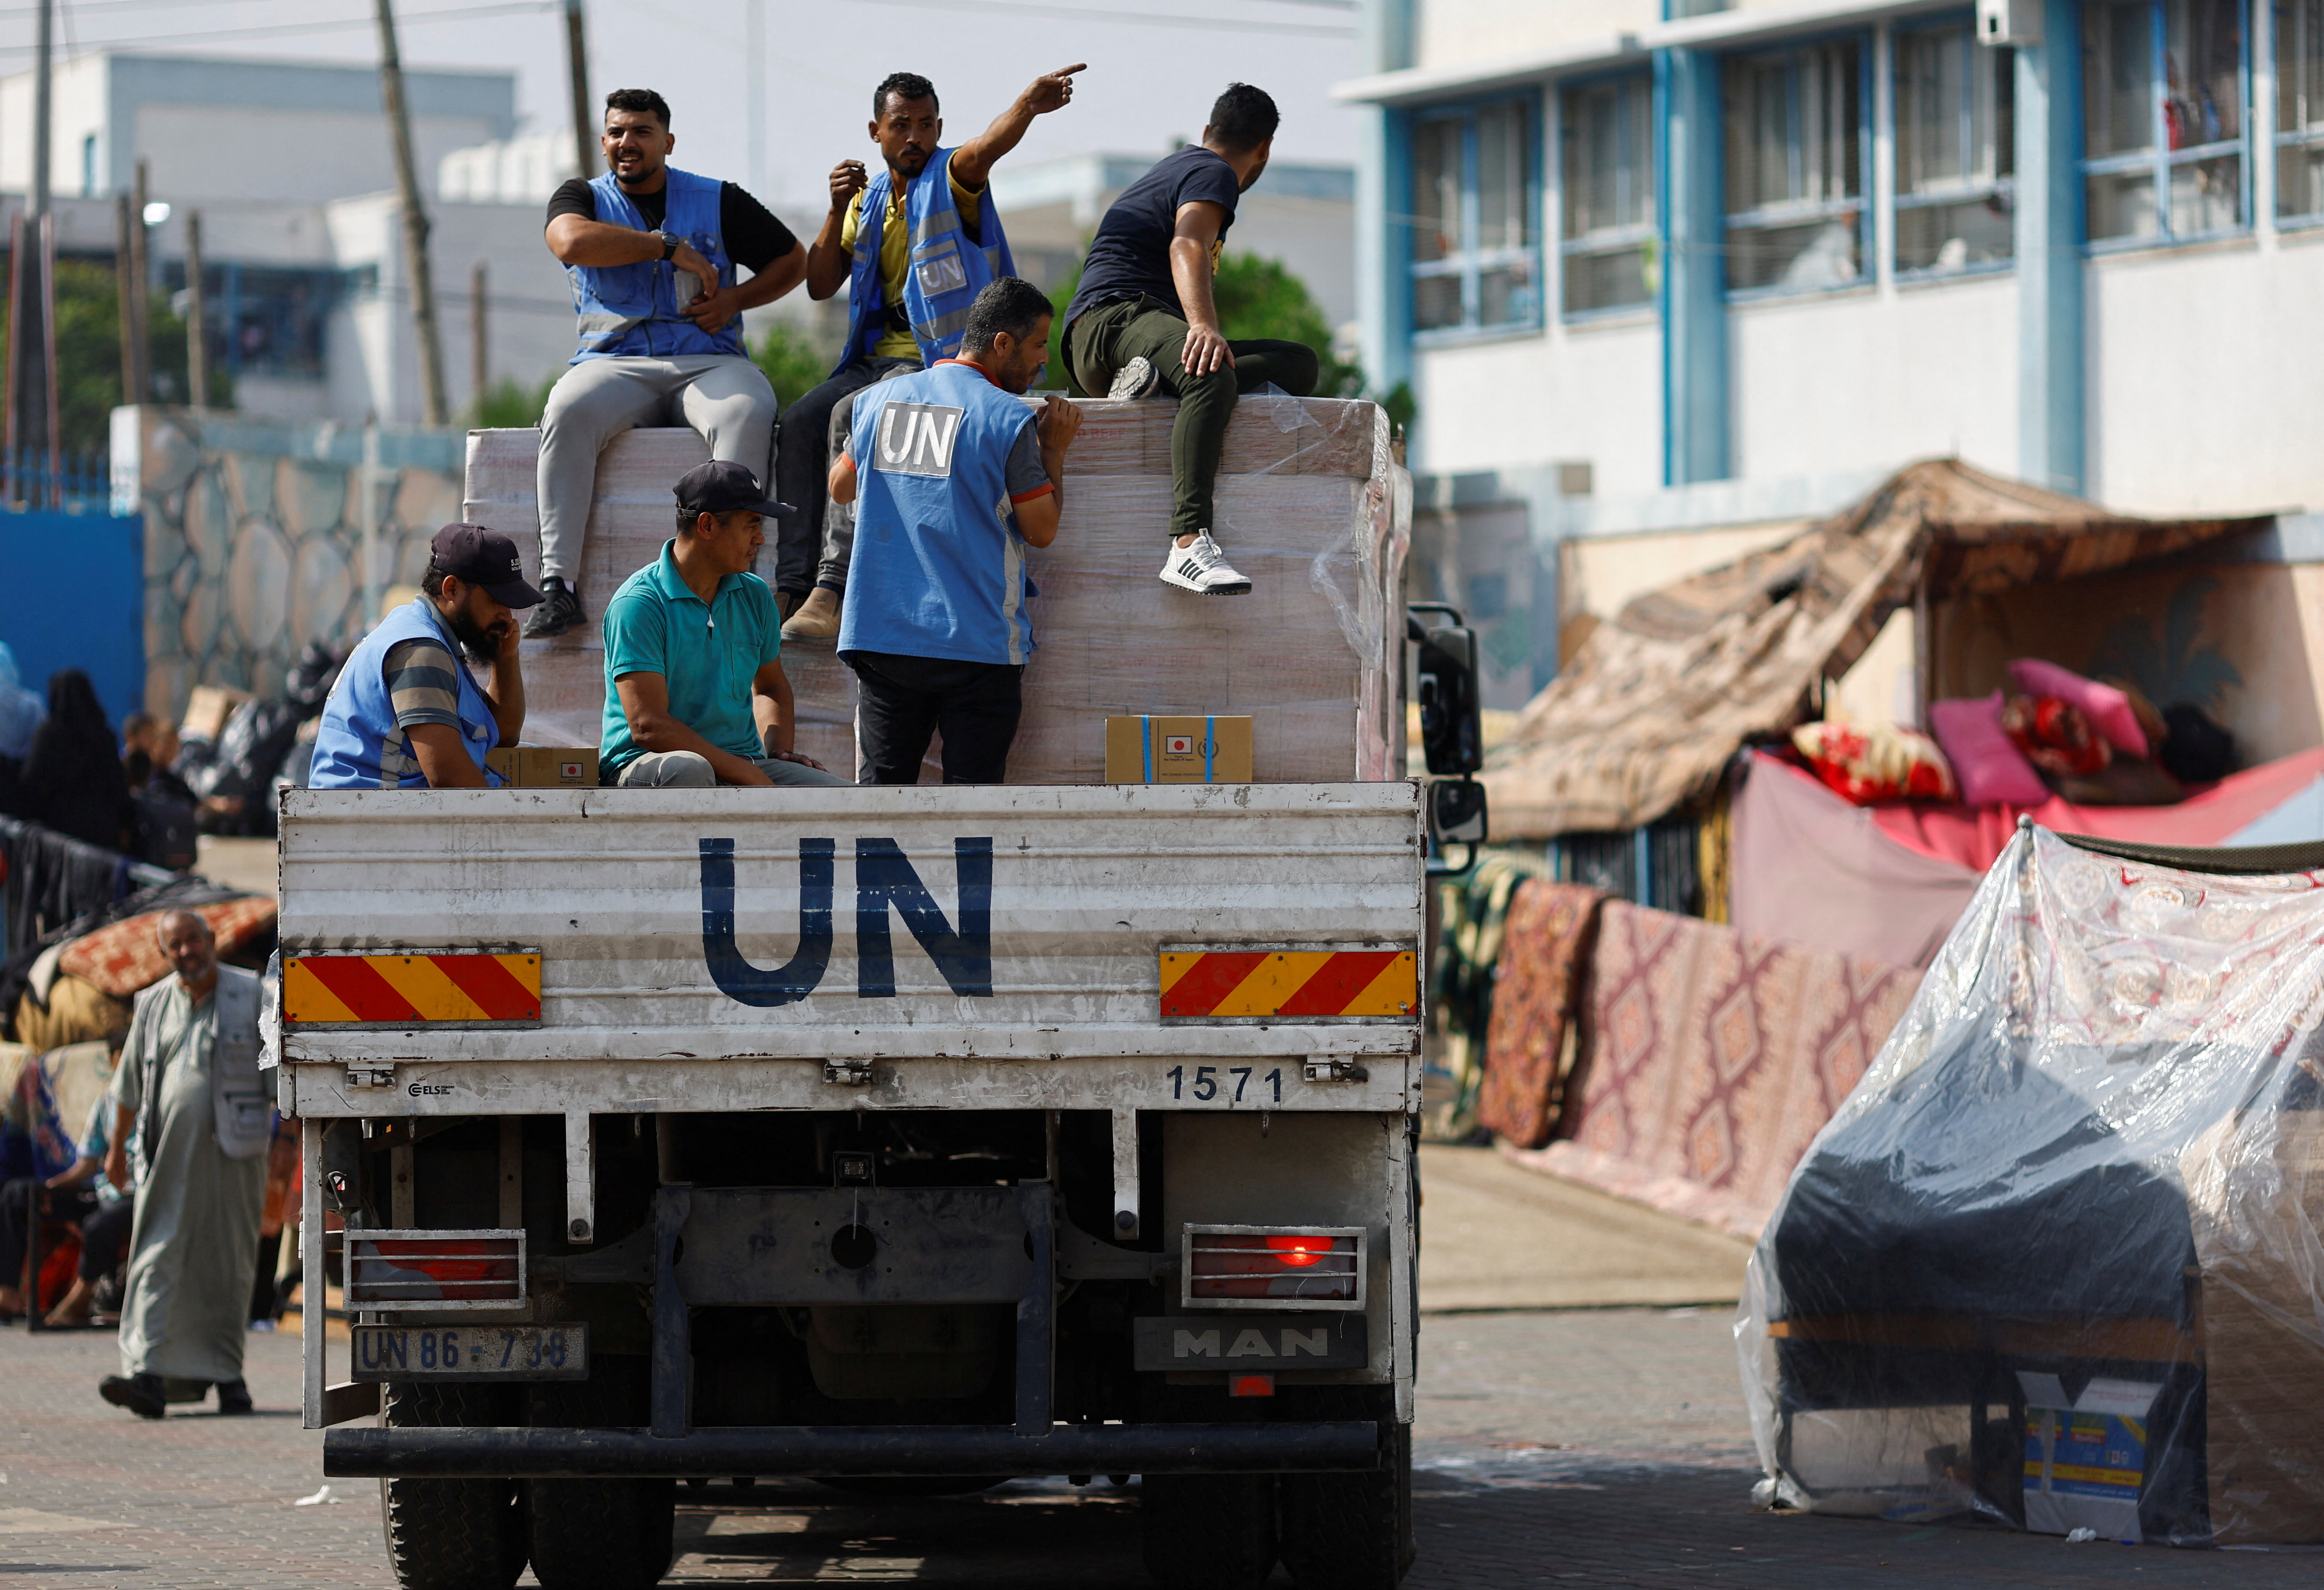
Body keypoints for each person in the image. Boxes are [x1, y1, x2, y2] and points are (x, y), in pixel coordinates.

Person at [774, 64, 1081, 642]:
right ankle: (790, 586)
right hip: (872, 359)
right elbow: (819, 284)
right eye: (901, 125)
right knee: (799, 421)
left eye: (925, 125)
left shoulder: (952, 177)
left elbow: (986, 148)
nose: (914, 137)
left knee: (851, 417)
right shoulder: (865, 203)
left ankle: (831, 586)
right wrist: (835, 208)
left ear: (940, 128)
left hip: (939, 360)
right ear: (876, 132)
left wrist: (1028, 105)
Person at [528, 87, 811, 638]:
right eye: (616, 133)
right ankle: (558, 586)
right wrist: (664, 247)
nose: (626, 143)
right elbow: (568, 242)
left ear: (668, 141)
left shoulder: (718, 199)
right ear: (604, 142)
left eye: (641, 132)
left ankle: (732, 585)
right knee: (566, 408)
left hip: (707, 361)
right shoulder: (581, 196)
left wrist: (735, 300)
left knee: (748, 409)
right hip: (615, 362)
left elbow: (793, 261)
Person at [1061, 83, 1319, 598]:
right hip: (1111, 321)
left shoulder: (1181, 164)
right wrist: (1202, 324)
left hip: (1125, 332)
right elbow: (1188, 242)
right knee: (1210, 369)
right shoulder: (1214, 171)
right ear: (1264, 150)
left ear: (1208, 130)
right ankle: (1187, 543)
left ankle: (1153, 387)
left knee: (1297, 363)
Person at [827, 277, 1081, 784]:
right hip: (976, 644)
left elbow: (840, 487)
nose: (1042, 364)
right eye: (1036, 347)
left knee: (881, 807)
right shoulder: (1009, 419)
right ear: (1002, 343)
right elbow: (1042, 529)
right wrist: (1054, 451)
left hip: (883, 637)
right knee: (971, 815)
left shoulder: (880, 400)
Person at [99, 910, 270, 1418]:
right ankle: (145, 1373)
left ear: (211, 940)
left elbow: (278, 1076)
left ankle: (227, 1377)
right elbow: (128, 1086)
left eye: (193, 940)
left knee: (229, 1261)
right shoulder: (152, 1006)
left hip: (235, 1152)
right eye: (175, 946)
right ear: (165, 954)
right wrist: (115, 1149)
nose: (186, 952)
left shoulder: (254, 994)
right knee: (157, 1256)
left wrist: (285, 1142)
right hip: (167, 1152)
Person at [599, 460, 849, 789]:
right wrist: (748, 775)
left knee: (838, 796)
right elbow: (649, 726)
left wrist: (779, 753)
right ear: (706, 526)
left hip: (743, 762)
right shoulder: (638, 604)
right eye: (752, 524)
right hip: (643, 762)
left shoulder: (755, 595)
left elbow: (770, 687)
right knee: (690, 770)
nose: (760, 539)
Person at [308, 525, 539, 790]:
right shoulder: (420, 652)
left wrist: (505, 658)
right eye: (497, 600)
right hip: (373, 823)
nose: (507, 616)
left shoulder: (429, 637)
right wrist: (508, 828)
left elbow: (504, 734)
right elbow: (450, 779)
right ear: (451, 589)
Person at [0, 1084, 137, 1328]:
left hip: (136, 1195)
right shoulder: (106, 1102)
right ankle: (7, 1290)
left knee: (101, 1224)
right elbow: (87, 1164)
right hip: (101, 1193)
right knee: (19, 1194)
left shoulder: (156, 1100)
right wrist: (50, 1188)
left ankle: (80, 1299)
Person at [19, 669, 138, 851]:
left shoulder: (50, 736)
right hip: (103, 834)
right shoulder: (103, 735)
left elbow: (32, 782)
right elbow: (118, 785)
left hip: (60, 837)